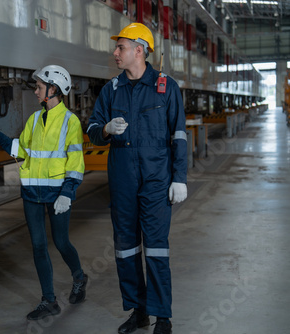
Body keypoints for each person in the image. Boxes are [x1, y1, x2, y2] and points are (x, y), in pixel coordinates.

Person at [87, 23, 187, 334]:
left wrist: (179, 177)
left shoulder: (166, 87)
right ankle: (138, 311)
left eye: (121, 47)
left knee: (156, 249)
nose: (115, 53)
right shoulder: (110, 90)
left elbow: (179, 135)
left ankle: (163, 317)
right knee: (126, 249)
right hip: (123, 183)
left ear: (139, 50)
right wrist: (104, 130)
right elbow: (92, 130)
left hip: (156, 182)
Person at [0, 64, 88, 320]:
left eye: (39, 87)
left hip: (57, 193)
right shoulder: (35, 119)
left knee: (61, 243)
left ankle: (79, 277)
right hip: (31, 194)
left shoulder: (70, 122)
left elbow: (75, 162)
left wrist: (67, 193)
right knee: (39, 246)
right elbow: (23, 150)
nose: (36, 91)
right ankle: (49, 301)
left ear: (53, 89)